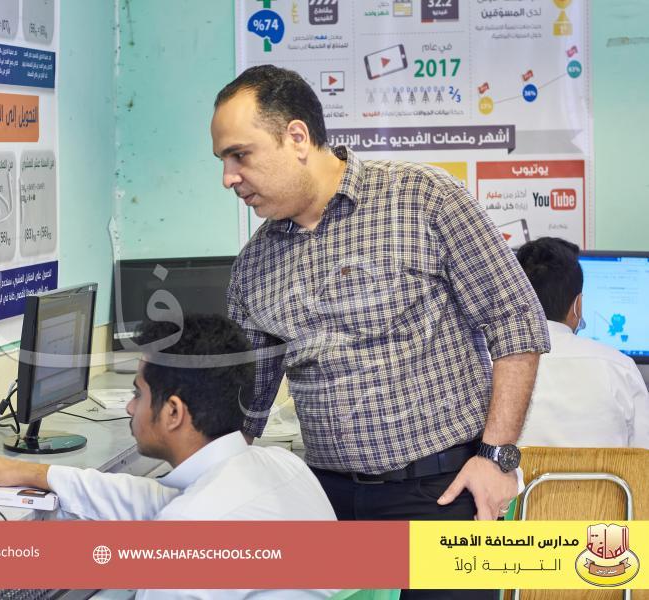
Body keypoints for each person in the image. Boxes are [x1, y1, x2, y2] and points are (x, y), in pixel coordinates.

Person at [212, 64, 547, 600]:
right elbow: (246, 406)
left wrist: (498, 457)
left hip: (442, 494)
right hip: (325, 501)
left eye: (240, 155)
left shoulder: (424, 198)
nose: (228, 177)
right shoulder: (254, 265)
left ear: (297, 137)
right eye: (223, 161)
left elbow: (516, 321)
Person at [0, 313, 336, 599]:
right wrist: (32, 473)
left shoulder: (187, 534)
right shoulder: (282, 465)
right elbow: (154, 499)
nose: (130, 407)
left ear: (173, 413)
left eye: (138, 393)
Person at [516, 237, 649, 447]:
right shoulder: (621, 368)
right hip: (607, 471)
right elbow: (643, 454)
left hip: (521, 471)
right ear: (578, 305)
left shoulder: (493, 367)